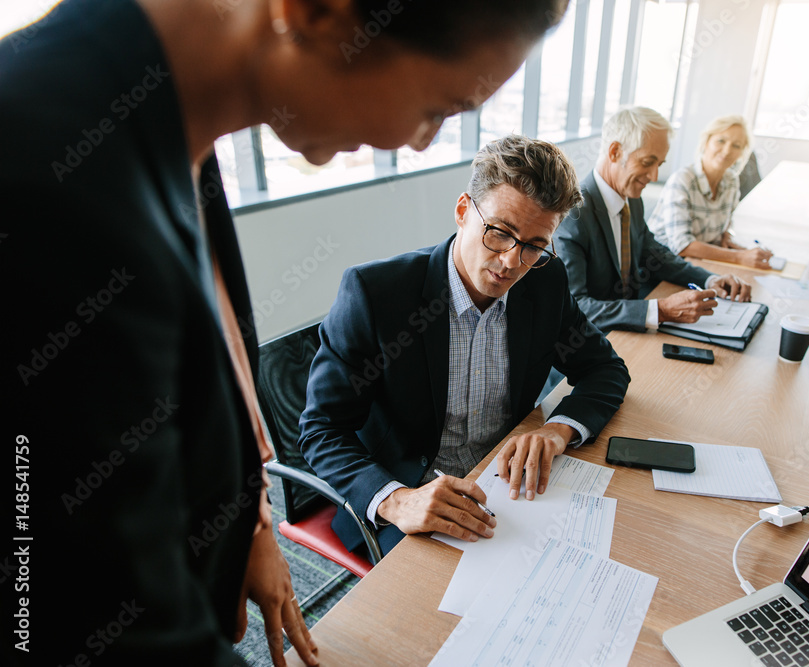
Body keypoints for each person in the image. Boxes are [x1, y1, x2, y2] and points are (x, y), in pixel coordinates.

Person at [1, 1, 571, 665]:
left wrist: (247, 517)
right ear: (320, 11)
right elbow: (77, 615)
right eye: (438, 108)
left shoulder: (172, 124)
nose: (419, 143)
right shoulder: (42, 171)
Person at [298, 135, 630, 555]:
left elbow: (605, 369)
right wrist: (397, 500)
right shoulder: (376, 294)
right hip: (406, 495)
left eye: (534, 245)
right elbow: (321, 429)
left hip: (503, 487)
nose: (512, 261)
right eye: (499, 233)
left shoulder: (546, 281)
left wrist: (556, 431)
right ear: (462, 212)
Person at [553, 107, 752, 333]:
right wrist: (661, 310)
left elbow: (654, 254)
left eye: (660, 164)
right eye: (648, 162)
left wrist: (709, 279)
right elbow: (576, 306)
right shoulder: (574, 214)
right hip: (589, 342)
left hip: (630, 330)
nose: (654, 177)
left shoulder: (630, 197)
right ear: (615, 151)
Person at [648, 114, 773, 269]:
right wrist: (739, 257)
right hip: (663, 264)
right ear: (706, 142)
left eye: (736, 146)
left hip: (699, 261)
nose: (727, 151)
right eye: (721, 141)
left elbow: (725, 225)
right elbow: (682, 246)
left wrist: (728, 238)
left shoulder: (731, 180)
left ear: (742, 153)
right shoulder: (683, 180)